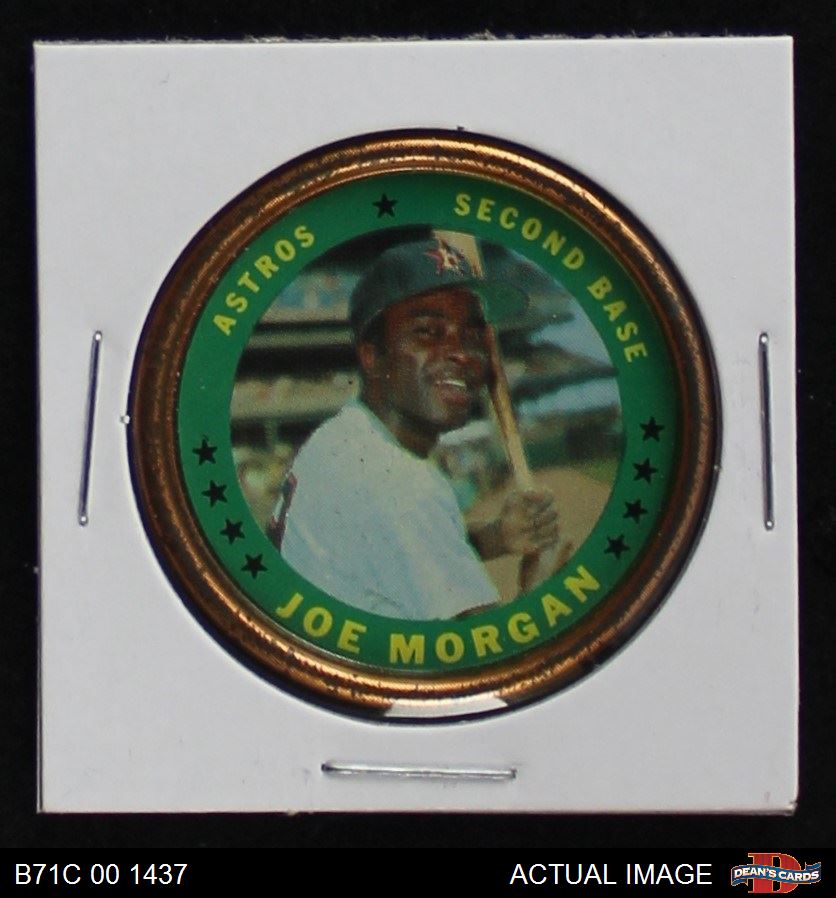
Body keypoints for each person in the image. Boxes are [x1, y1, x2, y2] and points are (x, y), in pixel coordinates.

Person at [268, 236, 560, 620]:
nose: (461, 352)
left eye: (472, 335)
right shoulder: (399, 485)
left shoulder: (341, 435)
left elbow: (386, 552)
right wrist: (538, 600)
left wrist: (496, 536)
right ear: (372, 355)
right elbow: (479, 651)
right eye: (427, 332)